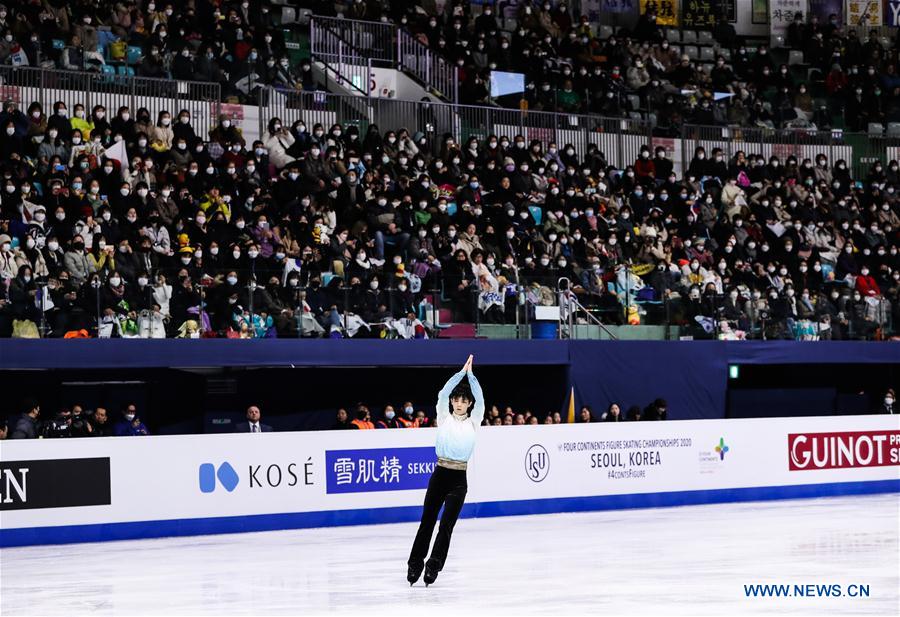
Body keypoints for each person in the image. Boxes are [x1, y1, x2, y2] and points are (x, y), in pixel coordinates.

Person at [408, 354, 484, 587]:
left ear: (469, 404)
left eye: (464, 400)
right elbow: (442, 393)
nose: (459, 403)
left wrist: (471, 377)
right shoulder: (443, 417)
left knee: (447, 525)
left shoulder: (474, 421)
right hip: (440, 475)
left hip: (459, 480)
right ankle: (415, 564)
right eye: (456, 399)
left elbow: (481, 399)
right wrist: (460, 374)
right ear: (452, 402)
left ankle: (433, 566)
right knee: (427, 521)